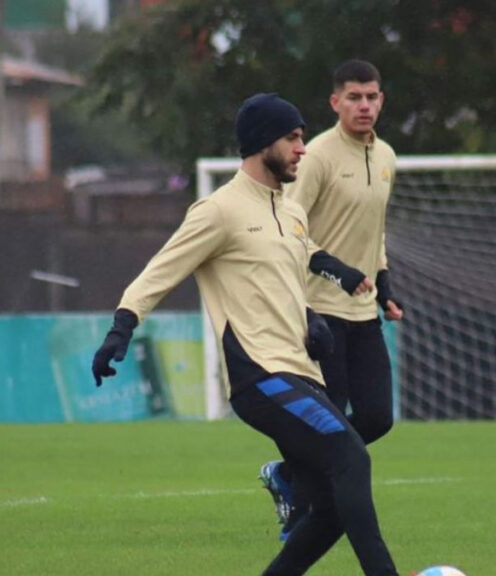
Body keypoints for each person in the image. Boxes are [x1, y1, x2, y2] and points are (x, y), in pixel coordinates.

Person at [91, 92, 400, 576]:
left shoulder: (293, 215)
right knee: (351, 457)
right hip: (261, 377)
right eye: (293, 138)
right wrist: (121, 328)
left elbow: (285, 286)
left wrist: (312, 323)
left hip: (301, 374)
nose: (302, 148)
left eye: (302, 138)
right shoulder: (218, 210)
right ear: (261, 144)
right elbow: (158, 273)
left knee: (333, 510)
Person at [259, 59, 404, 542]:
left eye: (372, 97)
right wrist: (334, 268)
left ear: (382, 100)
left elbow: (373, 233)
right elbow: (288, 226)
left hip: (362, 313)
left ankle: (288, 474)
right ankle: (302, 513)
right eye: (355, 97)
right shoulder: (316, 155)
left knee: (378, 417)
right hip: (319, 310)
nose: (365, 106)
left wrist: (383, 286)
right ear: (335, 102)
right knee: (331, 420)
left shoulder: (386, 156)